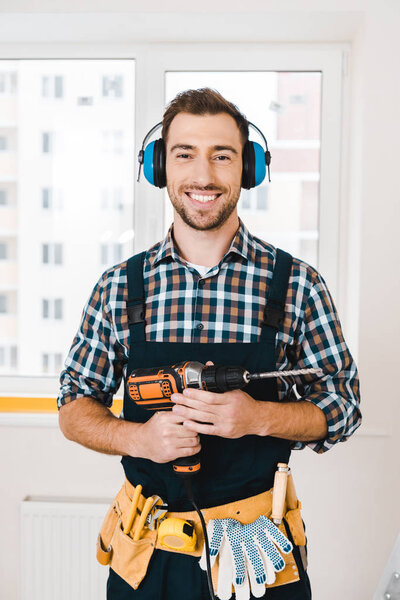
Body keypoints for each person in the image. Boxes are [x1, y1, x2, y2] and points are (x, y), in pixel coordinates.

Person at [57, 88, 362, 600]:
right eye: (185, 154)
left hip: (258, 557)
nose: (203, 176)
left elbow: (345, 407)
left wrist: (258, 417)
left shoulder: (296, 285)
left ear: (248, 169)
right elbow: (72, 407)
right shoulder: (118, 287)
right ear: (160, 167)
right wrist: (138, 439)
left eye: (223, 155)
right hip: (147, 558)